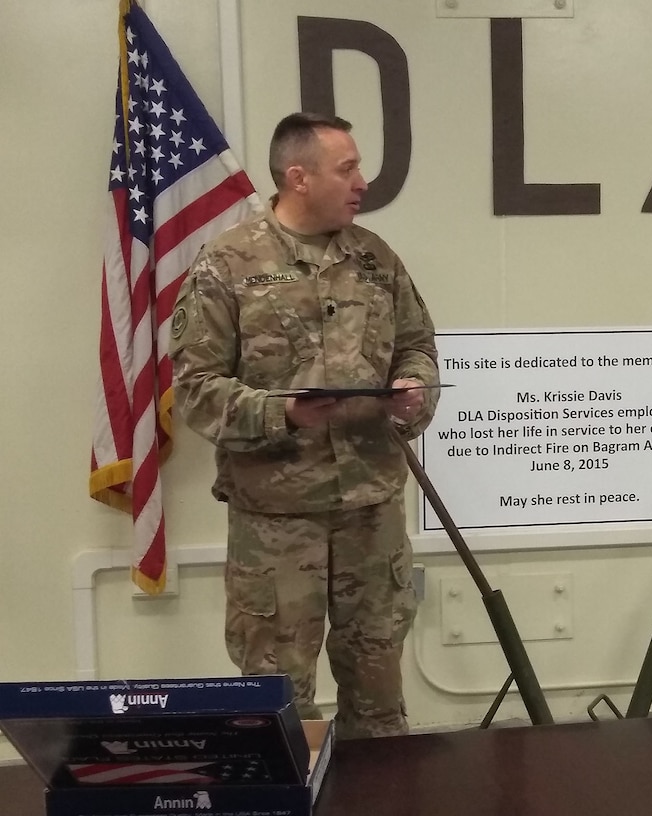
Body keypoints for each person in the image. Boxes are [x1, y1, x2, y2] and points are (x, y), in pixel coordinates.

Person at [168, 111, 441, 737]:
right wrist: (280, 411)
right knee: (278, 709)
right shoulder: (226, 265)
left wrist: (413, 388)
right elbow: (196, 390)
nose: (361, 181)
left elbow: (417, 344)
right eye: (346, 168)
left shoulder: (376, 259)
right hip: (276, 525)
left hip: (371, 512)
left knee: (378, 698)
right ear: (299, 177)